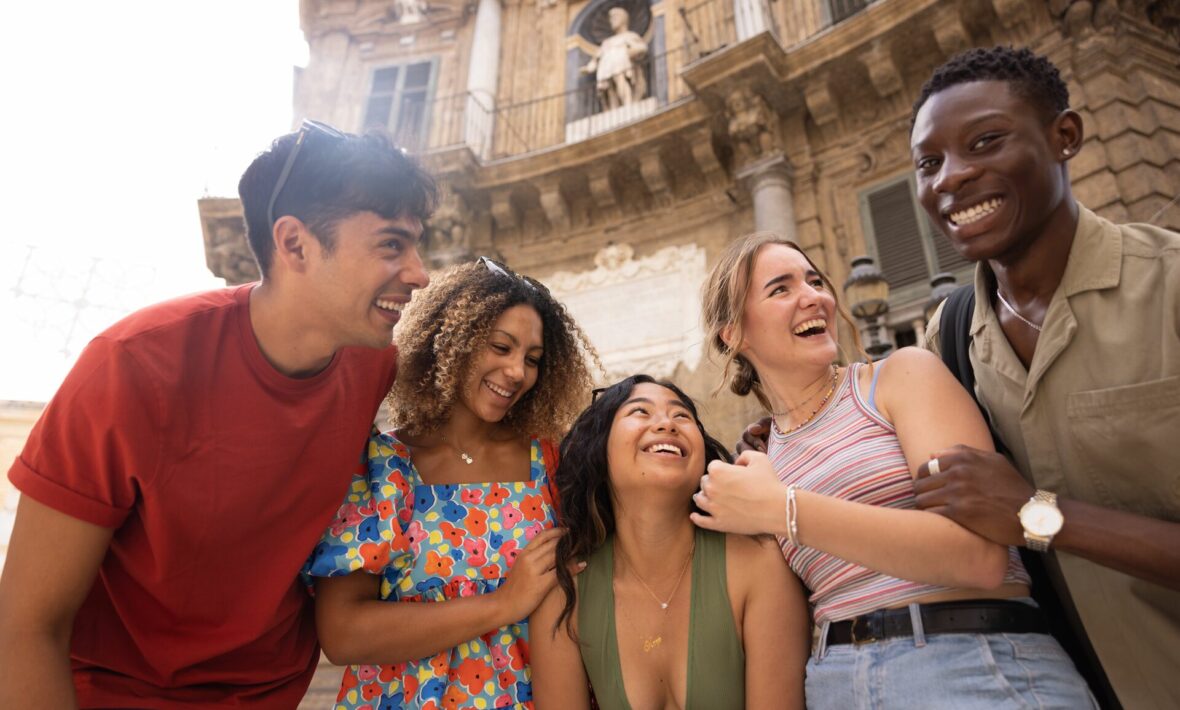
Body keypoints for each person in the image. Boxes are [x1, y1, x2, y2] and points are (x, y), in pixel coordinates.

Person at [0, 121, 437, 706]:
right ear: (295, 244)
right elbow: (27, 625)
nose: (420, 271)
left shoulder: (374, 366)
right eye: (391, 244)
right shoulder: (132, 367)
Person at [693, 232, 1096, 708]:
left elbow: (979, 558)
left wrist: (784, 509)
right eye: (780, 289)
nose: (814, 297)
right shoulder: (761, 456)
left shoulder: (902, 376)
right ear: (734, 334)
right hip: (833, 681)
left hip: (972, 665)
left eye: (815, 280)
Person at [910, 46, 1180, 708]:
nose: (951, 178)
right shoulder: (949, 340)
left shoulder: (1170, 288)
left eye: (986, 141)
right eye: (929, 162)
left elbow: (1015, 511)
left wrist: (1037, 515)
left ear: (1065, 137)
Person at [307, 258, 596, 709]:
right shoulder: (382, 466)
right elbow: (342, 634)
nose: (518, 371)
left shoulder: (552, 462)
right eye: (501, 347)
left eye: (533, 359)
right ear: (451, 341)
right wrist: (504, 604)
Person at [529, 375, 807, 709]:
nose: (666, 424)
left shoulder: (758, 562)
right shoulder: (563, 590)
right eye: (640, 413)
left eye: (682, 416)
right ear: (599, 449)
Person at [580, 7, 648, 110]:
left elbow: (642, 48)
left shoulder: (629, 36)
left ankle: (627, 104)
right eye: (611, 18)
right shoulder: (607, 42)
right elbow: (596, 58)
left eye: (615, 17)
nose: (612, 21)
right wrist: (589, 68)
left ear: (623, 19)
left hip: (621, 66)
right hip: (607, 68)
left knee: (621, 82)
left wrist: (629, 53)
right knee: (610, 89)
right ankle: (613, 109)